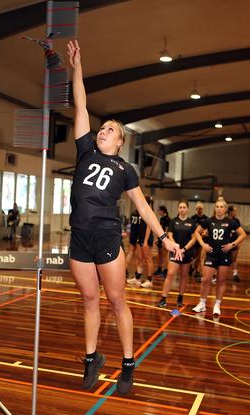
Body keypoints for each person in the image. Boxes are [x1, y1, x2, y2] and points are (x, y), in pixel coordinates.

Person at [67, 40, 182, 396]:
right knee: (89, 301)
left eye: (110, 130)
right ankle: (92, 358)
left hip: (106, 237)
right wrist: (77, 66)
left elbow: (144, 208)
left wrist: (165, 238)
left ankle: (128, 364)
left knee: (117, 301)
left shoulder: (126, 168)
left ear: (120, 142)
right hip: (79, 236)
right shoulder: (85, 149)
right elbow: (81, 102)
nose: (103, 131)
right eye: (102, 128)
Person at [193, 199, 246, 316]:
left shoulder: (230, 222)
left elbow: (243, 234)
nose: (219, 208)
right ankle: (202, 303)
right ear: (215, 208)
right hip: (211, 254)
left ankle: (217, 304)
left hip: (224, 255)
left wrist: (232, 245)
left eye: (221, 207)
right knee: (206, 279)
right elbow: (197, 232)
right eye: (217, 206)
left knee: (221, 281)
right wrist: (203, 245)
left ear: (225, 209)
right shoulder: (209, 221)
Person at [157, 201, 196, 308]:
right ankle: (163, 298)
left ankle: (180, 297)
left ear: (187, 209)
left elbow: (194, 238)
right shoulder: (173, 221)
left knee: (183, 276)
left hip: (186, 252)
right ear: (178, 209)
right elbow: (169, 235)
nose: (182, 209)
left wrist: (183, 249)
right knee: (170, 274)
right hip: (175, 252)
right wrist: (176, 247)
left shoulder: (192, 222)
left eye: (184, 207)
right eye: (180, 207)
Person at [127, 196, 154, 288]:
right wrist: (139, 239)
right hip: (140, 237)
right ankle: (137, 277)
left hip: (146, 239)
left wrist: (145, 241)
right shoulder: (142, 211)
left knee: (148, 259)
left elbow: (149, 227)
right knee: (140, 258)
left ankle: (150, 280)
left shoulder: (149, 212)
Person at [189, 202, 208, 280]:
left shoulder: (205, 218)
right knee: (193, 255)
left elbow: (207, 228)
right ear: (196, 209)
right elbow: (191, 229)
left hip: (202, 239)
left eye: (201, 208)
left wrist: (204, 233)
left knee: (200, 256)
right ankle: (191, 267)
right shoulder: (193, 218)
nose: (200, 210)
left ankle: (196, 270)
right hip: (194, 239)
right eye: (198, 208)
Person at [153, 205, 171, 278]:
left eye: (159, 210)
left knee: (165, 256)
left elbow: (166, 230)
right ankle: (159, 269)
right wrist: (158, 238)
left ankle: (166, 271)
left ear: (162, 211)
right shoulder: (162, 218)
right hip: (161, 239)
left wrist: (164, 240)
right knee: (159, 255)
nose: (158, 212)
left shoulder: (167, 219)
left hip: (164, 239)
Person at [125, 208, 141, 278]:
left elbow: (130, 226)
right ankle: (137, 273)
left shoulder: (132, 214)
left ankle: (124, 269)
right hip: (139, 236)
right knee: (139, 256)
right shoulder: (142, 215)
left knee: (130, 253)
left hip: (133, 235)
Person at [228, 205, 242, 282]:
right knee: (221, 259)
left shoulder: (237, 221)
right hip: (225, 243)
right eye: (234, 211)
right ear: (230, 211)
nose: (236, 212)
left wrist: (239, 243)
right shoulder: (225, 219)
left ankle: (235, 274)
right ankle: (215, 275)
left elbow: (240, 233)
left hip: (234, 243)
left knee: (234, 259)